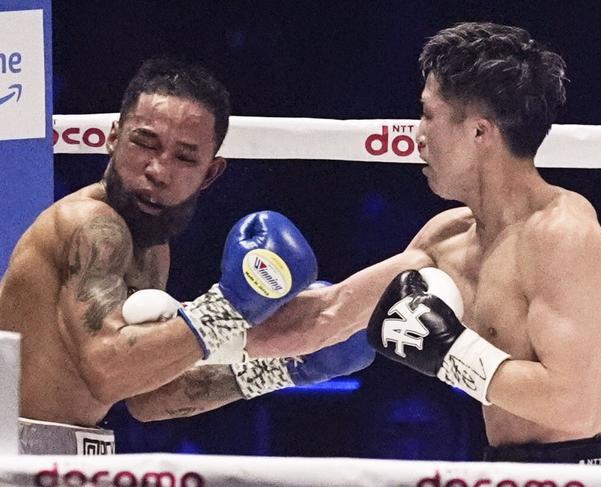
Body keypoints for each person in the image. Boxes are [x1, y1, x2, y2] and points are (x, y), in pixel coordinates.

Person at [210, 22, 601, 465]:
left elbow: (571, 400)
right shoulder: (447, 238)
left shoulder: (564, 236)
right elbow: (330, 314)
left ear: (480, 133)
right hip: (500, 464)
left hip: (587, 469)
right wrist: (192, 337)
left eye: (428, 115)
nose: (417, 135)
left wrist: (451, 354)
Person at [0, 58, 374, 455]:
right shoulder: (90, 224)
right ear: (113, 137)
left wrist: (283, 370)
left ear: (210, 173)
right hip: (13, 454)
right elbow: (108, 371)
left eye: (184, 157)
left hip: (65, 454)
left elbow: (148, 397)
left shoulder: (152, 248)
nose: (158, 170)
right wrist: (231, 306)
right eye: (144, 143)